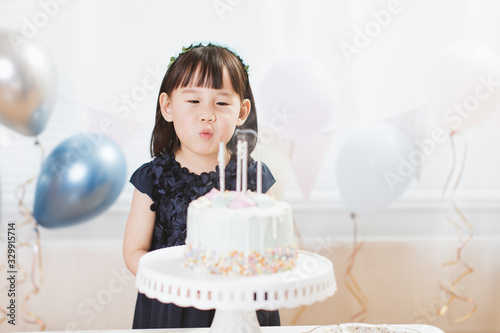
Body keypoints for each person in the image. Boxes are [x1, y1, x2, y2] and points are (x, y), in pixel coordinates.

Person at [123, 43, 280, 329]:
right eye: (193, 101)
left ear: (242, 111)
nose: (207, 114)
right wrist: (174, 282)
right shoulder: (152, 178)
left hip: (241, 304)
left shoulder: (254, 177)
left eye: (221, 103)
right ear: (167, 107)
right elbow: (134, 251)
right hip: (172, 305)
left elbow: (276, 244)